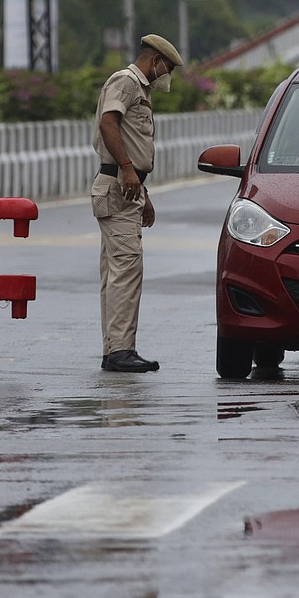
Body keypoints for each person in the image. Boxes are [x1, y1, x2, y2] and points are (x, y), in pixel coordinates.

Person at [91, 34, 183, 373]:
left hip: (127, 189)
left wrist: (143, 193)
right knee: (125, 272)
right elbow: (108, 123)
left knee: (119, 273)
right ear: (155, 59)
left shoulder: (139, 89)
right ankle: (119, 352)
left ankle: (115, 349)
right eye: (167, 68)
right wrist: (128, 171)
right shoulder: (126, 82)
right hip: (117, 188)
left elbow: (132, 143)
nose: (166, 75)